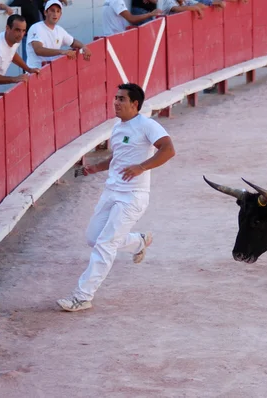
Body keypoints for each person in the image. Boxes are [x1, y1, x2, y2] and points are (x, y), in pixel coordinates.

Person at [57, 83, 176, 312]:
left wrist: (142, 167)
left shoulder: (147, 125)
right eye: (115, 98)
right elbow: (117, 158)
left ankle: (82, 296)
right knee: (93, 238)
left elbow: (168, 149)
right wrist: (92, 169)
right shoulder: (118, 127)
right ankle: (138, 242)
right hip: (112, 191)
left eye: (121, 99)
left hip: (133, 196)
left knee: (105, 244)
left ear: (135, 104)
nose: (116, 103)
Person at [25, 0, 91, 69]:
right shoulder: (36, 27)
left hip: (52, 71)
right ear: (45, 12)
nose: (55, 14)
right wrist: (62, 52)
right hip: (35, 73)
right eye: (52, 11)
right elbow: (38, 50)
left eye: (58, 11)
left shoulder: (59, 30)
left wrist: (84, 47)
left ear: (60, 14)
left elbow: (73, 42)